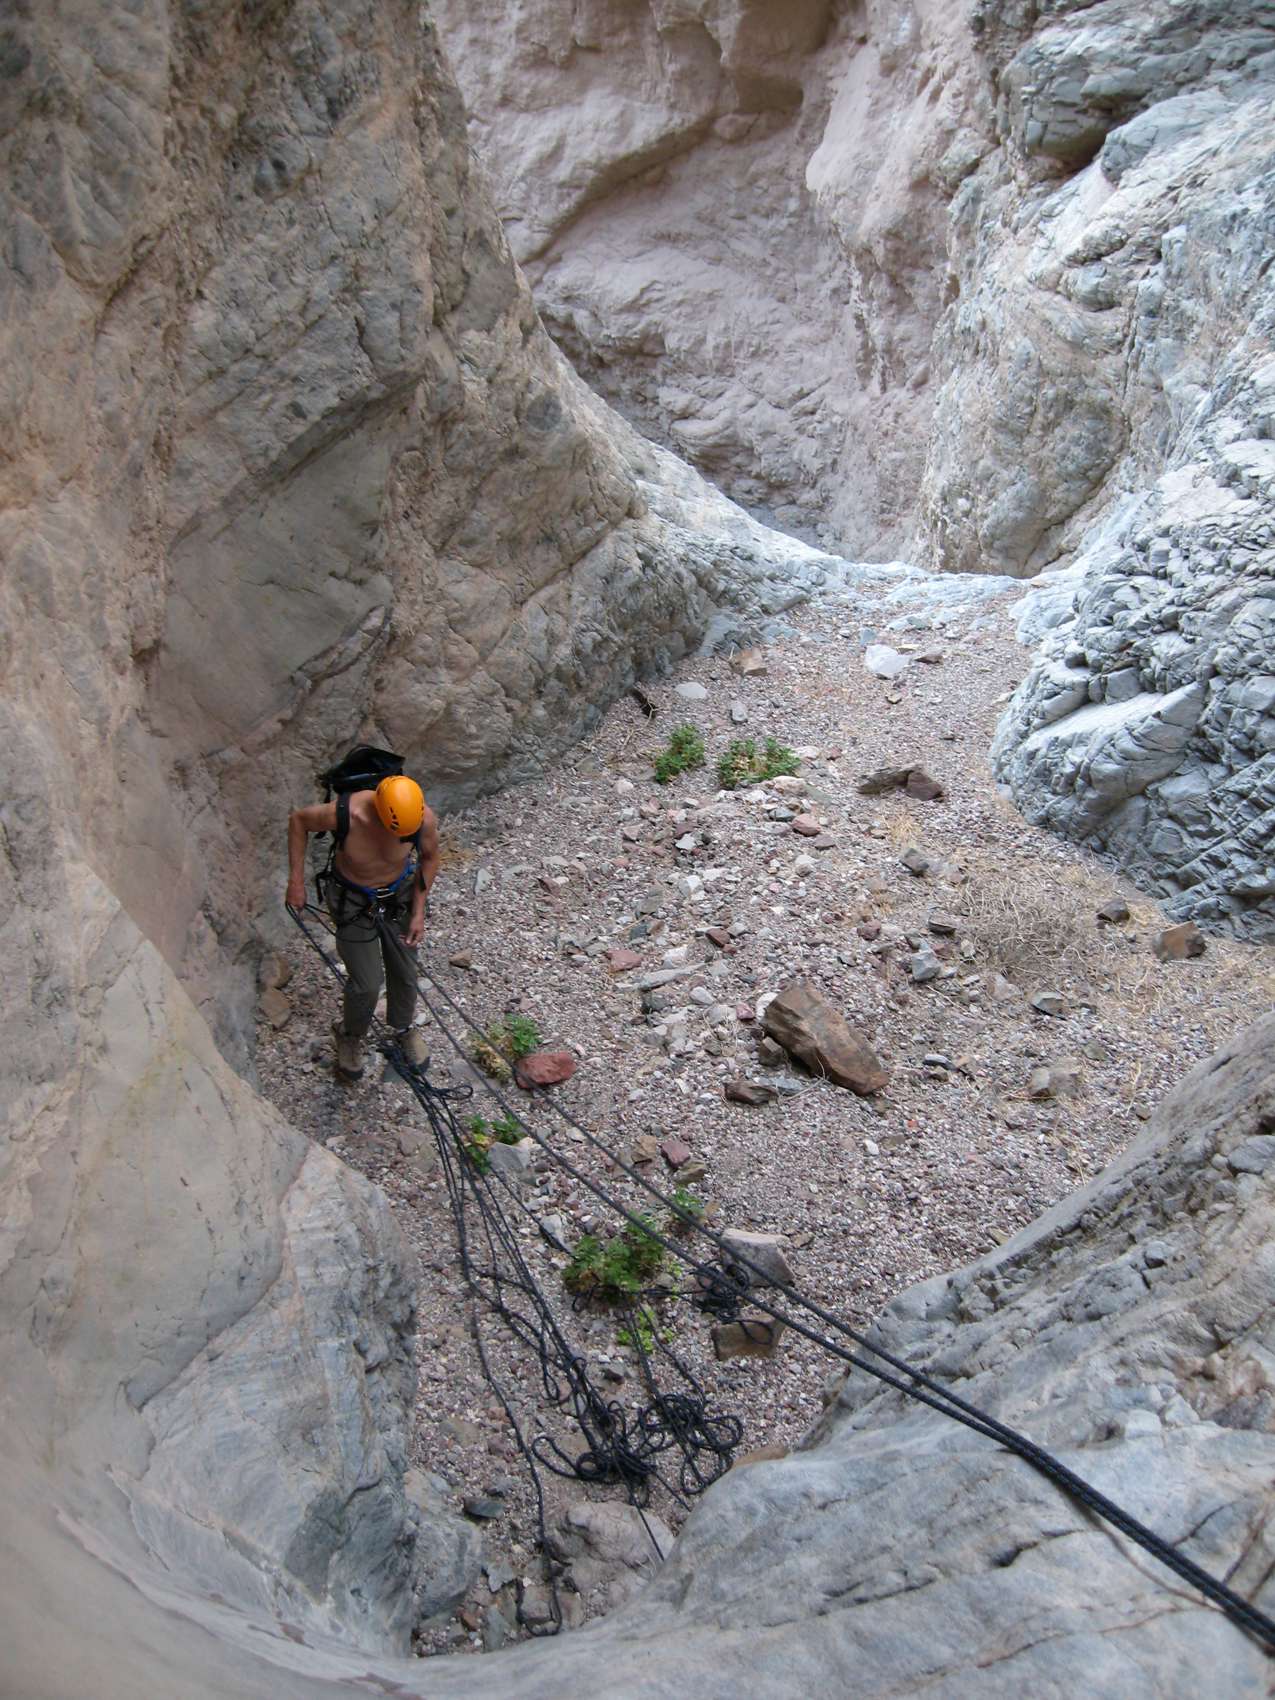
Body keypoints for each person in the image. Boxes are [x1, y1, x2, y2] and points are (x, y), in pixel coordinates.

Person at [286, 774, 440, 1079]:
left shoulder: (421, 819)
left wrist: (418, 911)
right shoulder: (346, 814)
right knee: (367, 983)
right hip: (353, 901)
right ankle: (350, 1034)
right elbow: (298, 822)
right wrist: (296, 881)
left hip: (399, 895)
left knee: (405, 970)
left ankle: (403, 1028)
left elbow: (429, 858)